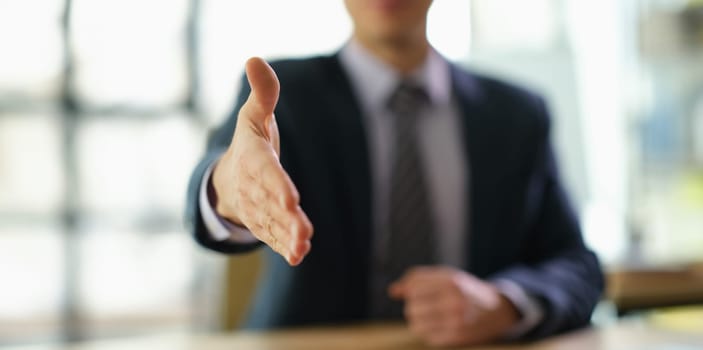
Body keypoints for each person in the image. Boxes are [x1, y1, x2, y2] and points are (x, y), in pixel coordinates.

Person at [186, 0, 604, 346]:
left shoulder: (516, 116)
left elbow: (577, 265)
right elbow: (219, 177)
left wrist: (504, 303)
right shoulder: (282, 96)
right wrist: (227, 190)